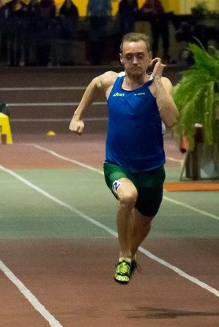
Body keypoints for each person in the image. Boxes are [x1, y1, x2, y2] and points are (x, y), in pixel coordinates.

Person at [69, 32, 178, 284]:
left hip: (151, 170)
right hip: (117, 166)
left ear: (150, 57)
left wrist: (158, 82)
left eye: (141, 56)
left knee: (143, 224)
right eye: (129, 57)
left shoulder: (161, 85)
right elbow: (94, 85)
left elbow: (172, 120)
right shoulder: (111, 82)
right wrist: (77, 115)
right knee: (128, 197)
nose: (135, 61)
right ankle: (124, 256)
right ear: (121, 59)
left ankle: (131, 253)